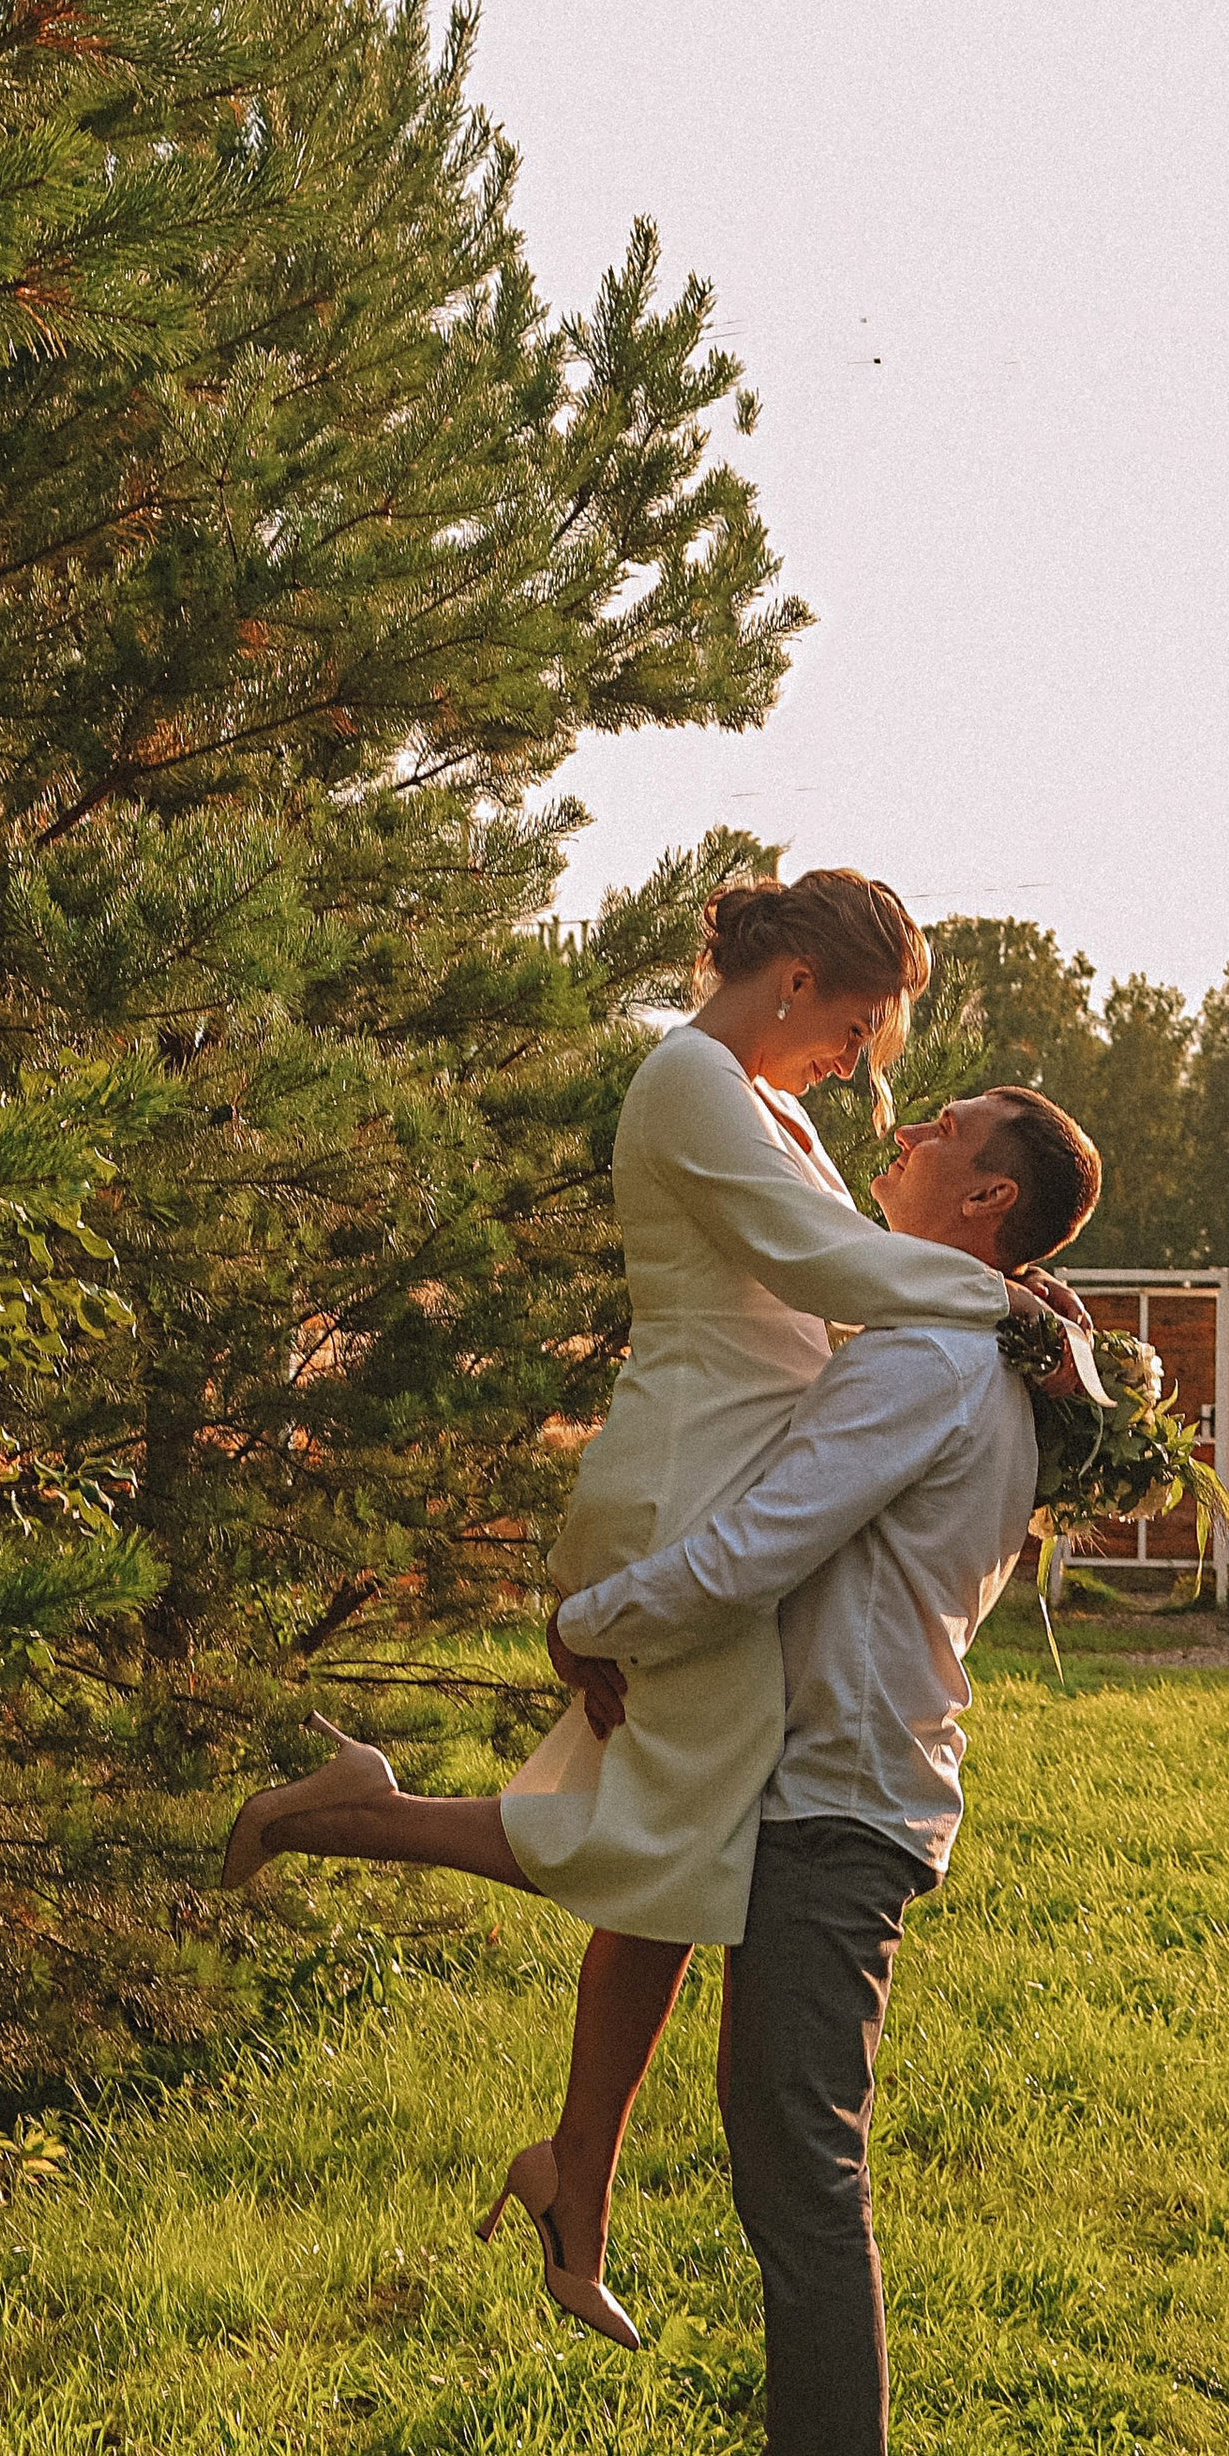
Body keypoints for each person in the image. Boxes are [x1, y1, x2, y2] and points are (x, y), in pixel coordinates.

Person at [222, 867, 1090, 2345]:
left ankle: (577, 2184)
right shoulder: (689, 1078)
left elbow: (854, 1272)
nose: (868, 1067)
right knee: (664, 1848)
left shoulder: (780, 1108)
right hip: (691, 1483)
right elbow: (823, 1267)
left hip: (737, 1473)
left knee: (685, 1866)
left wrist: (1014, 1300)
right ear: (800, 978)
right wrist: (1008, 1303)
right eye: (864, 1025)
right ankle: (342, 1813)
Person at [550, 1082, 1103, 2456]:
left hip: (842, 1798)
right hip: (844, 1783)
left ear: (988, 1203)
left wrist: (587, 1619)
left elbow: (759, 1543)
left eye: (945, 1127)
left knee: (802, 2166)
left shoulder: (929, 1358)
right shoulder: (950, 1339)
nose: (908, 1128)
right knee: (787, 2155)